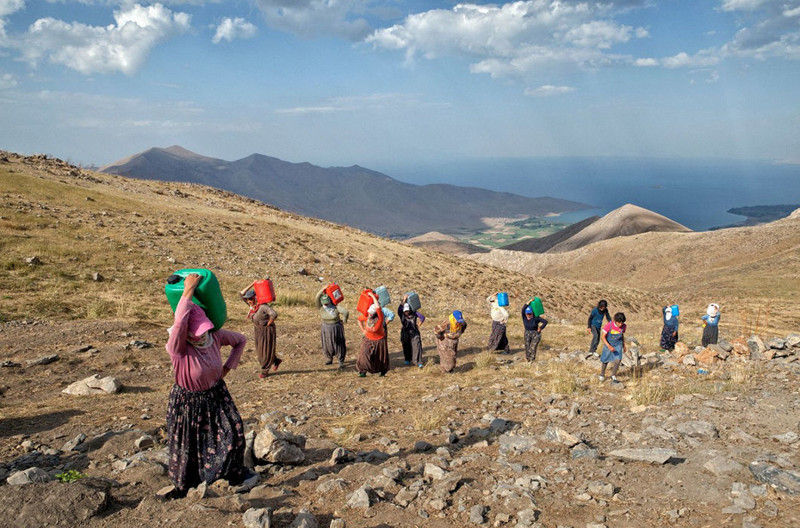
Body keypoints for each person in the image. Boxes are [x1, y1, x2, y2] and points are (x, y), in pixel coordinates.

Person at [166, 273, 248, 494]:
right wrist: (188, 290)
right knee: (190, 446)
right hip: (188, 402)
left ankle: (225, 475)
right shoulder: (178, 348)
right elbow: (181, 319)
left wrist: (227, 368)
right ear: (186, 334)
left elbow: (241, 340)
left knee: (234, 433)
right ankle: (188, 485)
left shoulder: (215, 335)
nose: (202, 335)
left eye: (204, 329)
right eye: (197, 332)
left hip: (216, 394)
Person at [240, 281, 280, 378]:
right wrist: (253, 284)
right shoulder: (252, 307)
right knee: (261, 349)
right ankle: (275, 360)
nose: (249, 301)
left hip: (266, 330)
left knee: (264, 349)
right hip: (258, 330)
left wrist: (268, 323)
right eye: (248, 299)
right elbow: (241, 294)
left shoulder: (263, 306)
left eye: (250, 299)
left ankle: (264, 370)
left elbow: (274, 314)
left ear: (255, 297)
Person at [356, 292, 389, 377]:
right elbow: (359, 319)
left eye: (371, 313)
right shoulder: (367, 317)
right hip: (368, 339)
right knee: (363, 354)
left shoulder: (380, 318)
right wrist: (363, 330)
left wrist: (373, 297)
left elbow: (378, 308)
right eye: (369, 312)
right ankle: (362, 371)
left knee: (380, 358)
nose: (369, 314)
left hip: (379, 340)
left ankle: (382, 372)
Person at [315, 288, 349, 368]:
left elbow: (345, 312)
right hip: (326, 328)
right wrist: (323, 289)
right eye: (324, 303)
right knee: (327, 343)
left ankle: (341, 361)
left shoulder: (335, 307)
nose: (326, 305)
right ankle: (329, 359)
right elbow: (317, 297)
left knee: (338, 344)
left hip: (336, 328)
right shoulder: (321, 307)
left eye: (327, 303)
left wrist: (344, 320)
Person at [599, 312, 627, 384]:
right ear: (615, 321)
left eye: (622, 323)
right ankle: (602, 374)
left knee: (618, 360)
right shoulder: (609, 325)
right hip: (608, 343)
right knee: (605, 359)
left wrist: (624, 345)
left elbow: (622, 335)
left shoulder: (624, 326)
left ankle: (613, 375)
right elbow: (603, 336)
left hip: (618, 344)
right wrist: (609, 346)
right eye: (619, 323)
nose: (620, 325)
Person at [399, 295, 425, 367]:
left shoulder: (414, 313)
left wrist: (418, 325)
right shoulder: (401, 314)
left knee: (417, 345)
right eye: (405, 311)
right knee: (406, 345)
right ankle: (407, 359)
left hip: (414, 331)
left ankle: (418, 361)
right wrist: (404, 300)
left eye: (407, 311)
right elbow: (399, 309)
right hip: (405, 331)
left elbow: (422, 317)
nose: (406, 312)